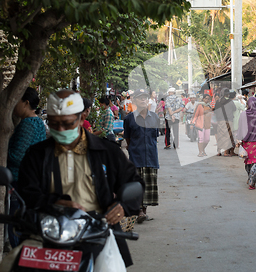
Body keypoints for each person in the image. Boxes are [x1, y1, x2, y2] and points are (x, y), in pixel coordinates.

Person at [18, 90, 143, 267]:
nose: (61, 130)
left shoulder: (107, 152)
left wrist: (123, 206)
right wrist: (55, 203)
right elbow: (26, 192)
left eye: (67, 124)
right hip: (47, 234)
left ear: (81, 117)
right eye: (54, 124)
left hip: (97, 234)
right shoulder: (36, 155)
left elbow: (135, 184)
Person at [7, 87, 46, 247]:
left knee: (16, 224)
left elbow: (18, 156)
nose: (13, 105)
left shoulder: (28, 125)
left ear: (26, 102)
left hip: (19, 181)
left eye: (16, 101)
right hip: (31, 180)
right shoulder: (37, 122)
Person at [123, 88, 160, 223]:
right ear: (135, 101)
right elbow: (127, 138)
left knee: (148, 185)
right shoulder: (129, 119)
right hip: (136, 156)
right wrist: (134, 148)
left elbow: (155, 136)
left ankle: (143, 211)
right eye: (140, 98)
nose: (143, 100)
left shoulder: (155, 117)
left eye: (145, 97)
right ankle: (138, 211)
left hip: (151, 155)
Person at [237, 97, 256, 190]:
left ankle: (249, 177)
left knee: (248, 162)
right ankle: (252, 181)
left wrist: (239, 140)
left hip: (247, 143)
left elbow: (240, 128)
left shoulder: (243, 114)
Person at [214, 89, 237, 156]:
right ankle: (225, 152)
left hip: (220, 120)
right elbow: (234, 109)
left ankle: (218, 151)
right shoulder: (230, 101)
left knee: (220, 135)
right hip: (228, 120)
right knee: (227, 136)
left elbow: (215, 110)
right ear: (228, 94)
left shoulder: (218, 101)